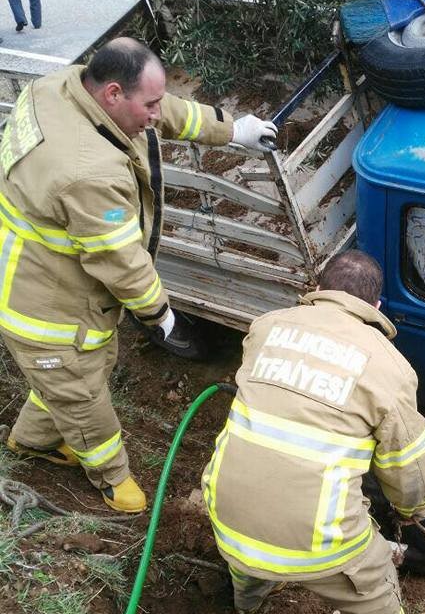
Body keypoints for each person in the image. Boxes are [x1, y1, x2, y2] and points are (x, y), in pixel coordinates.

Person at [0, 36, 277, 513]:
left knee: (72, 377)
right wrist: (160, 316)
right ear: (113, 94)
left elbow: (165, 109)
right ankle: (110, 477)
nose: (155, 114)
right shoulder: (86, 172)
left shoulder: (62, 87)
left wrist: (233, 130)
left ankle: (32, 440)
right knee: (82, 395)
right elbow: (121, 261)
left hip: (53, 272)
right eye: (146, 103)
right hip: (43, 306)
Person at [202, 250, 425, 614]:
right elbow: (408, 463)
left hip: (226, 511)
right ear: (376, 307)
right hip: (315, 538)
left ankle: (249, 599)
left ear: (317, 290)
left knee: (251, 543)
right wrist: (412, 509)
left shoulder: (266, 327)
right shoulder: (389, 367)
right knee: (371, 573)